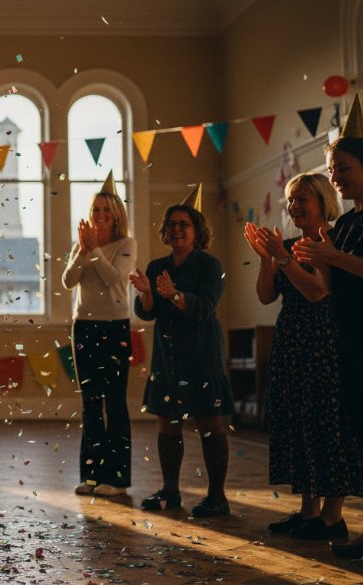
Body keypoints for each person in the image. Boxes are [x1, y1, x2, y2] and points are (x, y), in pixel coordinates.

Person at [247, 173, 362, 540]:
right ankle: (308, 510)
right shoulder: (290, 245)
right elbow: (266, 296)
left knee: (327, 425)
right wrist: (268, 259)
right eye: (291, 201)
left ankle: (332, 516)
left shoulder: (331, 241)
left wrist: (283, 258)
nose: (294, 207)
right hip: (292, 342)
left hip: (324, 343)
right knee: (298, 424)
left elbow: (316, 292)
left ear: (322, 202)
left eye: (302, 200)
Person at [128, 187, 234, 517]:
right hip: (168, 356)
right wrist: (147, 294)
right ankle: (170, 491)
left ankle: (217, 496)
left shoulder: (210, 265)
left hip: (202, 354)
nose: (176, 229)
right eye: (172, 224)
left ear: (197, 231)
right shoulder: (158, 265)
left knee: (209, 426)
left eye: (183, 224)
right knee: (168, 425)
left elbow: (204, 306)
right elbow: (147, 312)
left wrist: (174, 296)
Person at [292, 93, 363, 559]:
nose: (335, 177)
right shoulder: (349, 223)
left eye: (343, 169)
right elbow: (326, 289)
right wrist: (285, 259)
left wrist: (333, 257)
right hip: (348, 340)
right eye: (333, 169)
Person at [62, 173, 136, 497]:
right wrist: (83, 250)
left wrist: (94, 250)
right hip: (84, 326)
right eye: (96, 209)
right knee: (90, 402)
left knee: (115, 402)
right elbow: (68, 280)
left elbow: (114, 278)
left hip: (114, 325)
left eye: (107, 209)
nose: (101, 214)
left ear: (117, 214)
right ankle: (90, 476)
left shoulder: (126, 245)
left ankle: (116, 479)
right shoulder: (82, 246)